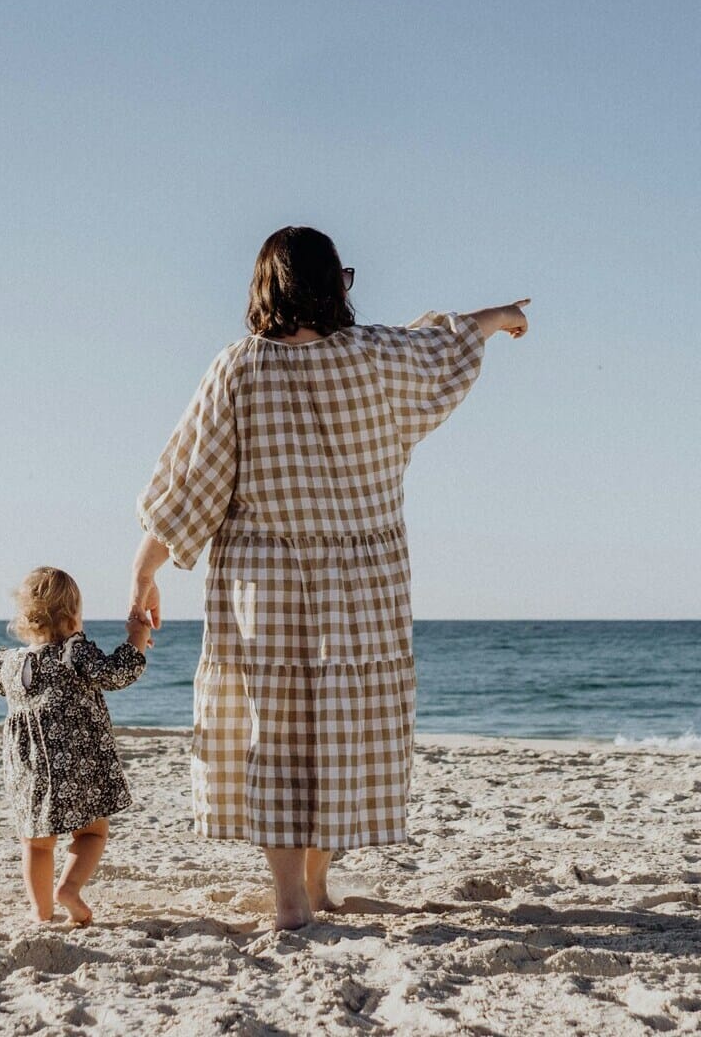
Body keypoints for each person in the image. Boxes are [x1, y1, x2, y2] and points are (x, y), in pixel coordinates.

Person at [131, 226, 528, 930]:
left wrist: (144, 577)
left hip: (264, 582)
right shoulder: (373, 356)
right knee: (345, 727)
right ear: (335, 284)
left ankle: (289, 898)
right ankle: (316, 883)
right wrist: (495, 320)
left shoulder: (238, 368)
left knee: (274, 732)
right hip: (363, 581)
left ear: (264, 290)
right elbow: (444, 344)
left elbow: (191, 487)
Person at [0, 566, 152, 925]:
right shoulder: (75, 654)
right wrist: (137, 638)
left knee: (36, 841)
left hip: (28, 769)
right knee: (91, 831)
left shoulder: (9, 664)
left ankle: (40, 911)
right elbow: (118, 673)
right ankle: (69, 889)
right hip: (76, 764)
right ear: (73, 616)